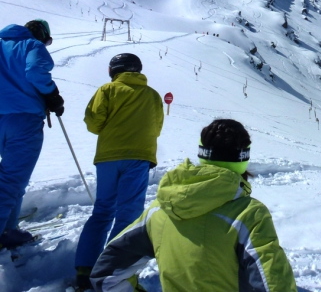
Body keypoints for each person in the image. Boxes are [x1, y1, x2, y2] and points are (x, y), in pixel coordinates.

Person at [90, 119, 297, 292]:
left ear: (202, 153)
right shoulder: (248, 214)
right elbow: (274, 285)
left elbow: (106, 272)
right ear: (243, 157)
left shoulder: (161, 209)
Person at [75, 53, 163, 290]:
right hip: (139, 157)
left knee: (102, 210)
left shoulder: (107, 90)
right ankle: (114, 270)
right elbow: (157, 128)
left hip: (108, 157)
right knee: (128, 214)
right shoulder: (153, 95)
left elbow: (94, 123)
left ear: (114, 70)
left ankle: (85, 268)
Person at [0, 19, 64, 249]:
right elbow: (36, 70)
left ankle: (8, 229)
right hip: (24, 118)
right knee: (11, 178)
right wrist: (52, 95)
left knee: (11, 176)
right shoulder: (32, 46)